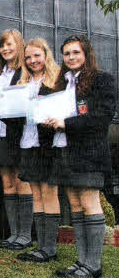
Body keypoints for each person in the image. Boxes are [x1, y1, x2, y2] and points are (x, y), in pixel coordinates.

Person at [49, 35, 116, 278]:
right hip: (66, 151)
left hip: (90, 153)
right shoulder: (63, 83)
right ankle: (82, 262)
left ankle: (94, 265)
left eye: (75, 52)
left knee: (89, 204)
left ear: (86, 53)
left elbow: (101, 118)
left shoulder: (102, 80)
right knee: (75, 206)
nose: (71, 57)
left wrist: (66, 123)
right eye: (66, 54)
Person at [12, 38, 61, 263]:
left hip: (48, 144)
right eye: (28, 57)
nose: (32, 61)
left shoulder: (57, 79)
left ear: (46, 55)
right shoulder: (22, 81)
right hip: (27, 141)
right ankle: (41, 247)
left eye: (36, 56)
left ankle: (49, 248)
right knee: (36, 195)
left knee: (49, 193)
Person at [0, 29, 34, 251]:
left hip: (17, 133)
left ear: (19, 44)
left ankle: (25, 235)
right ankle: (13, 234)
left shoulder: (26, 72)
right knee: (7, 184)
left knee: (21, 182)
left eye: (9, 44)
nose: (5, 49)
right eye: (2, 45)